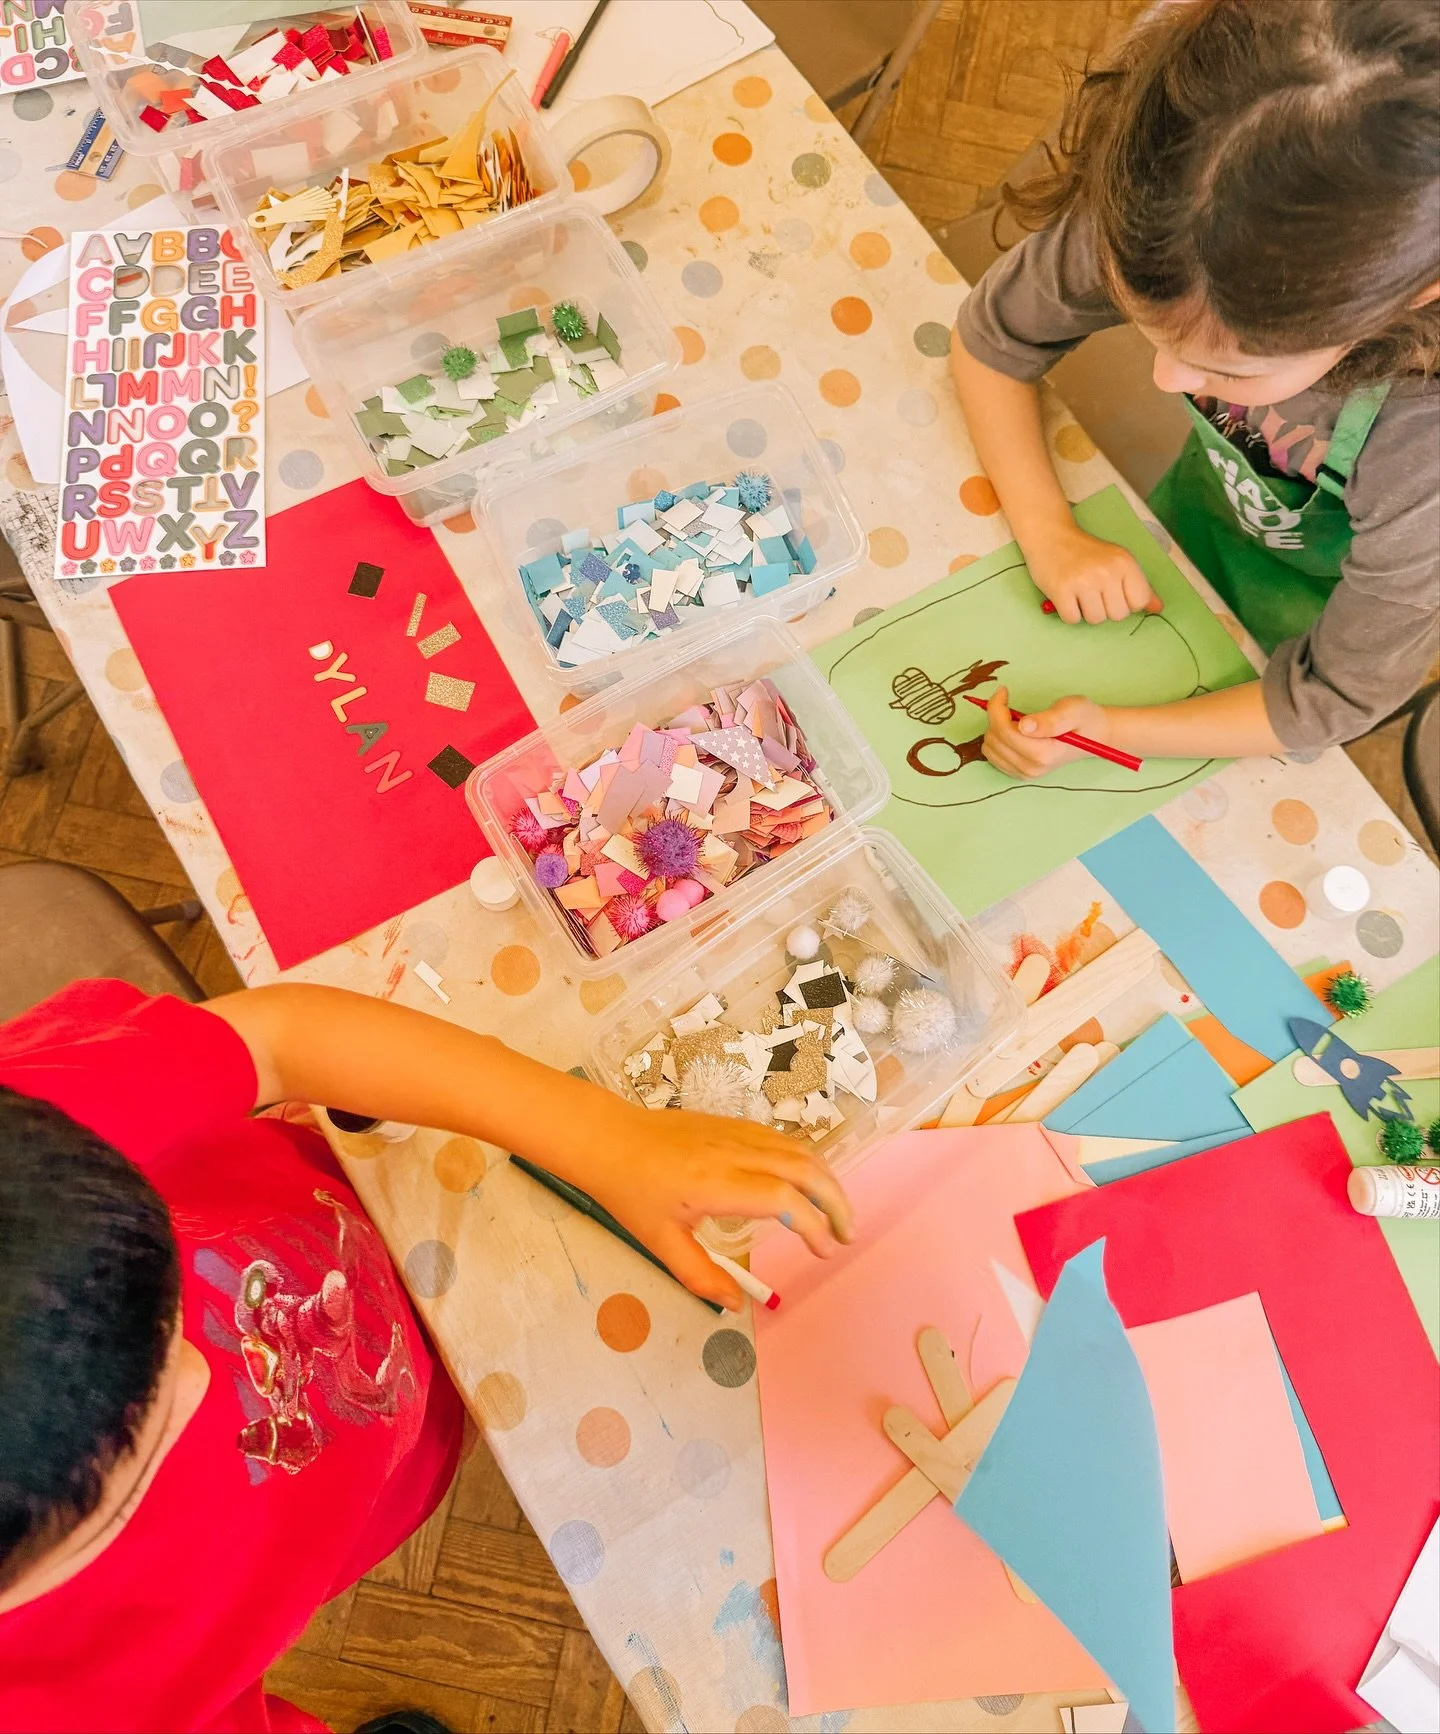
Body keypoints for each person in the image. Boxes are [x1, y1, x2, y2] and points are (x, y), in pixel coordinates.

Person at [0, 979, 852, 1733]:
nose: (198, 1372)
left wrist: (605, 1138)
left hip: (394, 1293)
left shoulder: (25, 1128)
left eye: (171, 1306)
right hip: (330, 1530)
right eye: (135, 1458)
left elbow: (275, 1038)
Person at [950, 0, 1440, 780]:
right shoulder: (1175, 207)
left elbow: (1330, 698)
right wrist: (1050, 535)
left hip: (1304, 662)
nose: (1165, 379)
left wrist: (1108, 728)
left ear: (1410, 297)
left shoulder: (1424, 466)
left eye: (1235, 374)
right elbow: (995, 337)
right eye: (1149, 331)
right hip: (1194, 538)